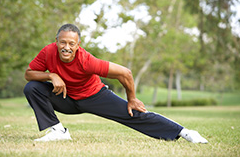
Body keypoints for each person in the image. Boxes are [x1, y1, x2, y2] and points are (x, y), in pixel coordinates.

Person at [23, 24, 208, 143]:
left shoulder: (87, 61)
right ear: (56, 42)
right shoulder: (48, 52)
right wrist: (51, 75)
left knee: (134, 114)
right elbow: (29, 74)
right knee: (32, 88)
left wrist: (132, 98)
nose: (66, 47)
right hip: (66, 98)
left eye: (72, 43)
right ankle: (59, 132)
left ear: (78, 45)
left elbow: (125, 73)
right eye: (63, 42)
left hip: (95, 96)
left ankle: (185, 132)